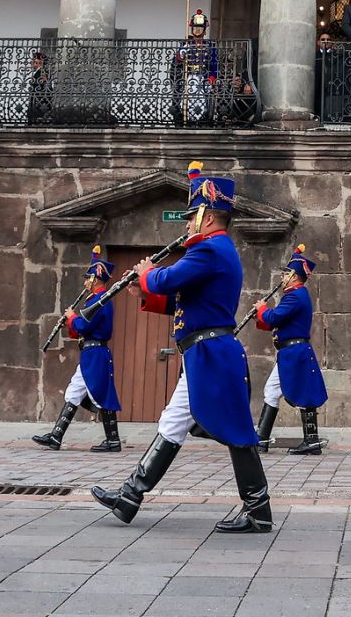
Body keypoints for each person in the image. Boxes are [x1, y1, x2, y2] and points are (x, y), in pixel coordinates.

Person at [91, 164, 273, 533]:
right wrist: (146, 292)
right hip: (203, 355)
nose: (187, 224)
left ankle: (258, 509)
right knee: (172, 423)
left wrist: (146, 274)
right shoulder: (213, 251)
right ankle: (130, 497)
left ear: (206, 216)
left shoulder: (210, 249)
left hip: (212, 355)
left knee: (237, 431)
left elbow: (168, 278)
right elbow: (183, 302)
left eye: (192, 216)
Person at [33, 246, 122, 452]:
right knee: (75, 391)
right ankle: (56, 436)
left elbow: (85, 326)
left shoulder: (101, 300)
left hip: (97, 354)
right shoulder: (96, 300)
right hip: (91, 354)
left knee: (103, 395)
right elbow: (83, 330)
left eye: (87, 278)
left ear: (95, 279)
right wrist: (70, 324)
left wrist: (73, 317)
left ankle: (113, 441)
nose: (85, 282)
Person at [253, 244, 329, 456]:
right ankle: (266, 440)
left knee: (294, 393)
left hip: (294, 354)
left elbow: (274, 317)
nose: (283, 277)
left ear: (295, 277)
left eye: (287, 273)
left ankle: (263, 440)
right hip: (292, 353)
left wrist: (262, 309)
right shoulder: (295, 295)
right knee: (274, 390)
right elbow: (275, 322)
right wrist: (261, 316)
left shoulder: (296, 296)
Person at [174, 9, 220, 126]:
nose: (197, 30)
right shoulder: (186, 45)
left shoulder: (211, 46)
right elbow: (177, 62)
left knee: (202, 103)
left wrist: (212, 78)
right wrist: (181, 54)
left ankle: (201, 121)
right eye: (195, 28)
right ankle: (187, 121)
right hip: (189, 78)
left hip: (203, 78)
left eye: (200, 28)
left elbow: (214, 65)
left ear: (204, 31)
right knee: (187, 102)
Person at [27, 49, 54, 125]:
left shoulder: (42, 72)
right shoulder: (39, 72)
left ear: (39, 62)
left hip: (40, 100)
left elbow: (43, 85)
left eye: (33, 61)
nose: (32, 63)